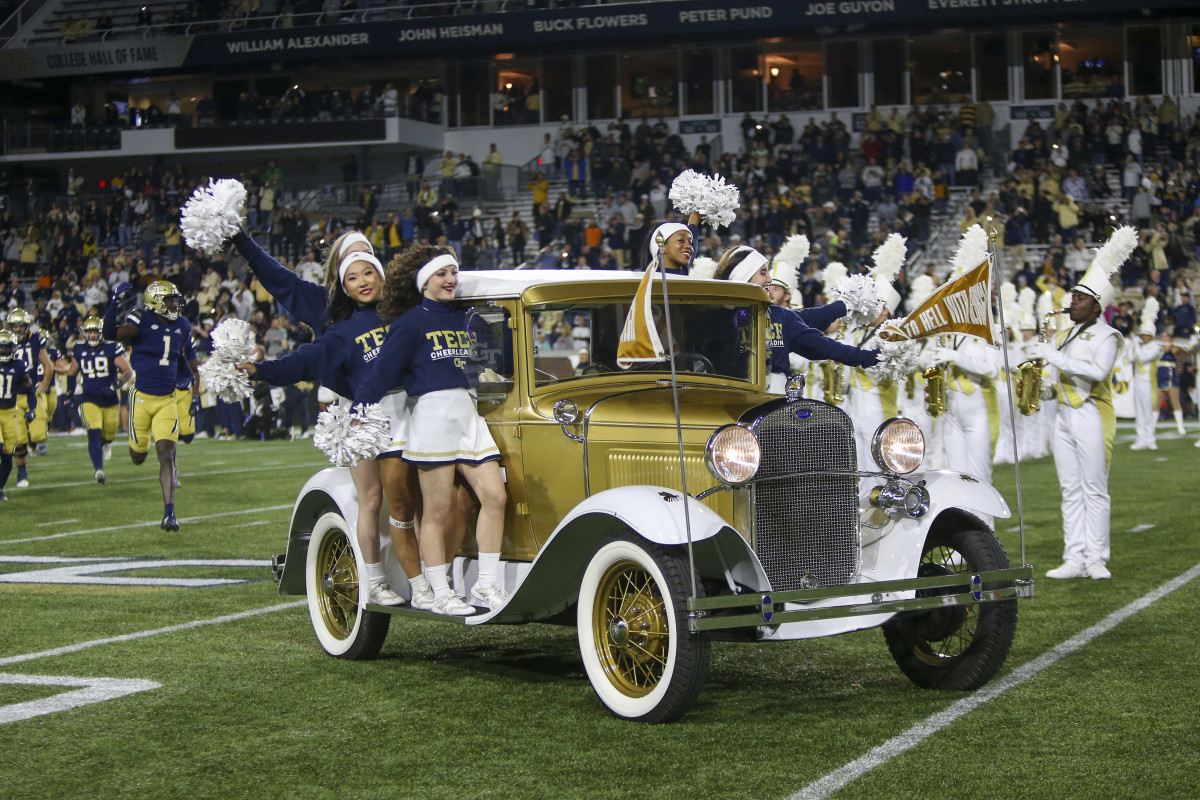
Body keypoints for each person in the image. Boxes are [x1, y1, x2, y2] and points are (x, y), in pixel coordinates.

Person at [231, 227, 431, 607]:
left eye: (367, 260)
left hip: (404, 406)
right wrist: (242, 241)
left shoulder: (399, 307)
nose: (361, 274)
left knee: (412, 499)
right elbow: (277, 280)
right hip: (355, 409)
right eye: (350, 266)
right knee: (370, 498)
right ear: (340, 272)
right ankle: (374, 579)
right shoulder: (326, 307)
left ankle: (427, 576)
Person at [357, 247, 509, 616]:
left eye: (454, 272)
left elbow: (490, 366)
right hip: (433, 415)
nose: (451, 279)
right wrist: (356, 413)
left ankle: (487, 583)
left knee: (495, 496)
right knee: (436, 511)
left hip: (469, 414)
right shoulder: (410, 323)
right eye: (442, 273)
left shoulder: (467, 318)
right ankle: (440, 591)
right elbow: (379, 374)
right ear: (425, 281)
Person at [1029, 237, 1128, 580]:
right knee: (1069, 489)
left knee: (1094, 489)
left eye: (1081, 298)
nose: (1073, 302)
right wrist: (1041, 388)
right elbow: (1058, 375)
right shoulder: (1063, 335)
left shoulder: (1108, 336)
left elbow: (1098, 373)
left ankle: (1097, 558)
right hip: (1062, 416)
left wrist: (1051, 355)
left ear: (1097, 306)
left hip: (1091, 414)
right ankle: (1074, 557)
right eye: (1073, 296)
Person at [706, 245, 879, 396]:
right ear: (744, 275)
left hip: (775, 401)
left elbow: (824, 344)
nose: (769, 279)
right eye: (763, 273)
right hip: (731, 399)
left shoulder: (779, 316)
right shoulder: (717, 317)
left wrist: (871, 357)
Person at [102, 281, 199, 531]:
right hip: (142, 399)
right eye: (169, 300)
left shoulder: (183, 325)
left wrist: (190, 379)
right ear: (155, 301)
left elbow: (186, 356)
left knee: (166, 456)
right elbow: (110, 333)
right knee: (138, 457)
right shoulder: (141, 319)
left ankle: (169, 514)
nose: (174, 304)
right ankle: (136, 446)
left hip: (168, 399)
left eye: (175, 299)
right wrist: (113, 303)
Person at [66, 316, 131, 484]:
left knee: (109, 434)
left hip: (109, 399)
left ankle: (107, 443)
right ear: (84, 333)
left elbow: (127, 371)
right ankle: (99, 470)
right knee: (93, 432)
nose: (93, 335)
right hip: (89, 399)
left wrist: (115, 386)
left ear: (101, 333)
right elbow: (72, 373)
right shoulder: (79, 349)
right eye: (90, 332)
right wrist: (69, 393)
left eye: (96, 332)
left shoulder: (112, 348)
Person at [6, 308, 55, 486]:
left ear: (27, 326)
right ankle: (22, 474)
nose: (18, 329)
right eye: (15, 326)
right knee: (19, 439)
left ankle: (32, 443)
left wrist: (45, 382)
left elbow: (48, 364)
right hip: (11, 395)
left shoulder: (35, 340)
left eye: (21, 326)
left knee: (39, 435)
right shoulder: (4, 341)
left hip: (30, 393)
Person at [0, 330, 37, 502]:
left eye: (7, 347)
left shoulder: (19, 365)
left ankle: (0, 488)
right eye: (1, 347)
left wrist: (31, 409)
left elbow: (30, 390)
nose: (4, 351)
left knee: (8, 454)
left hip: (9, 413)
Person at [1129, 298, 1163, 450]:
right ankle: (1140, 437)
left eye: (1146, 334)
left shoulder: (1155, 347)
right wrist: (1133, 346)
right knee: (1140, 411)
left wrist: (1135, 345)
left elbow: (1142, 359)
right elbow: (1130, 358)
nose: (1143, 337)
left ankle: (1150, 438)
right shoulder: (1140, 346)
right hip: (1138, 381)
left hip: (1149, 383)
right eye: (1142, 334)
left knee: (1148, 411)